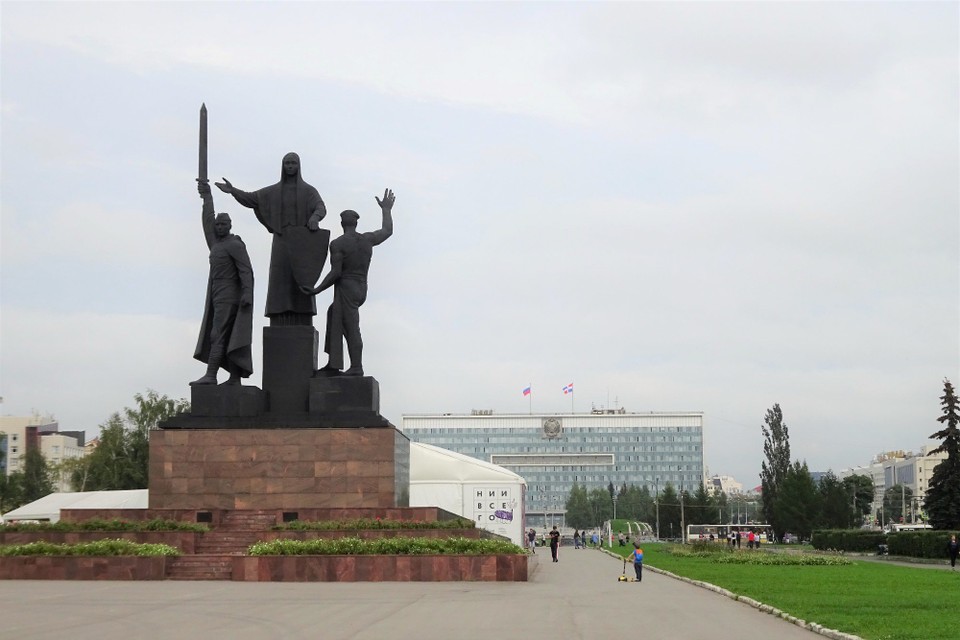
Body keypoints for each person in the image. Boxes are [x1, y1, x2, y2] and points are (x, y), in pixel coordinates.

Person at [216, 152, 326, 326]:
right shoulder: (273, 191)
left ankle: (303, 318)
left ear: (299, 166)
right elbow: (252, 199)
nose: (290, 166)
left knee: (301, 280)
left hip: (301, 243)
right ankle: (279, 317)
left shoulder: (309, 191)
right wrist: (232, 191)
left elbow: (321, 207)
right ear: (282, 166)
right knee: (280, 281)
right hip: (281, 241)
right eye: (287, 163)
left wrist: (315, 218)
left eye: (293, 163)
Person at [303, 189, 395, 377]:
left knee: (351, 326)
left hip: (347, 286)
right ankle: (334, 362)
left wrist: (316, 290)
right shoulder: (367, 239)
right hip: (361, 288)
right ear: (356, 222)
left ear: (341, 223)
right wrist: (386, 210)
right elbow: (387, 231)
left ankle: (356, 367)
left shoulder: (338, 244)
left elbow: (336, 273)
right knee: (334, 314)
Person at [191, 180, 254, 386]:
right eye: (217, 225)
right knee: (228, 335)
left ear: (230, 226)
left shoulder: (234, 244)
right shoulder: (216, 244)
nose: (218, 227)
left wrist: (247, 293)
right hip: (217, 294)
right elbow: (207, 220)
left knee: (217, 333)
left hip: (230, 295)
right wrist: (207, 197)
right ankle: (234, 378)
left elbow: (246, 270)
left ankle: (211, 375)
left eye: (223, 225)